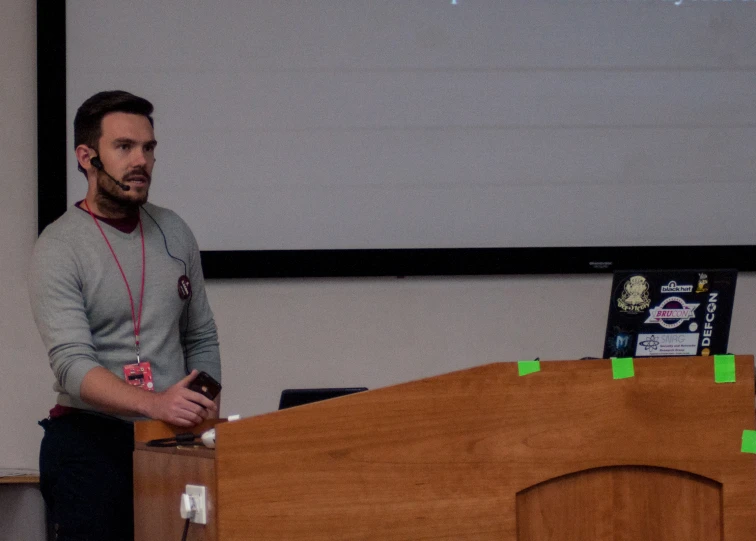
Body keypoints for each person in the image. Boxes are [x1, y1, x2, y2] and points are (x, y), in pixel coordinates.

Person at [29, 90, 221, 541]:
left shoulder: (173, 230)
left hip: (172, 441)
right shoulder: (58, 248)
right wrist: (155, 403)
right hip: (91, 445)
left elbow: (202, 335)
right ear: (86, 156)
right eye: (124, 147)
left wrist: (203, 405)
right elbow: (73, 364)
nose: (141, 160)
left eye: (148, 148)